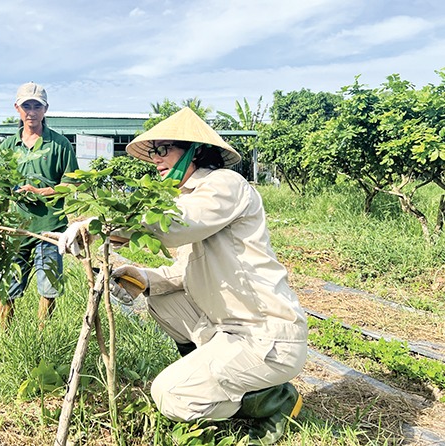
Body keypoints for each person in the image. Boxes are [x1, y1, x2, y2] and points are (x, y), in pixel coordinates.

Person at [57, 107, 307, 444]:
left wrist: (100, 226)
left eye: (165, 150)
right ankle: (219, 379)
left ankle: (272, 400)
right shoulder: (188, 196)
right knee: (161, 299)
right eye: (154, 152)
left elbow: (176, 223)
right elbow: (182, 271)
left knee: (169, 395)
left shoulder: (224, 184)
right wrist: (141, 277)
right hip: (229, 330)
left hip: (265, 336)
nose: (157, 160)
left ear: (194, 150)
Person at [0, 82, 80, 329]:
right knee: (8, 287)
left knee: (49, 286)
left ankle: (42, 335)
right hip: (16, 229)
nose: (31, 111)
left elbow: (72, 183)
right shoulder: (7, 148)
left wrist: (42, 191)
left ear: (45, 109)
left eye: (36, 106)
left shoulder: (59, 144)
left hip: (49, 226)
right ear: (17, 108)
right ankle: (5, 337)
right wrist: (1, 225)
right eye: (26, 106)